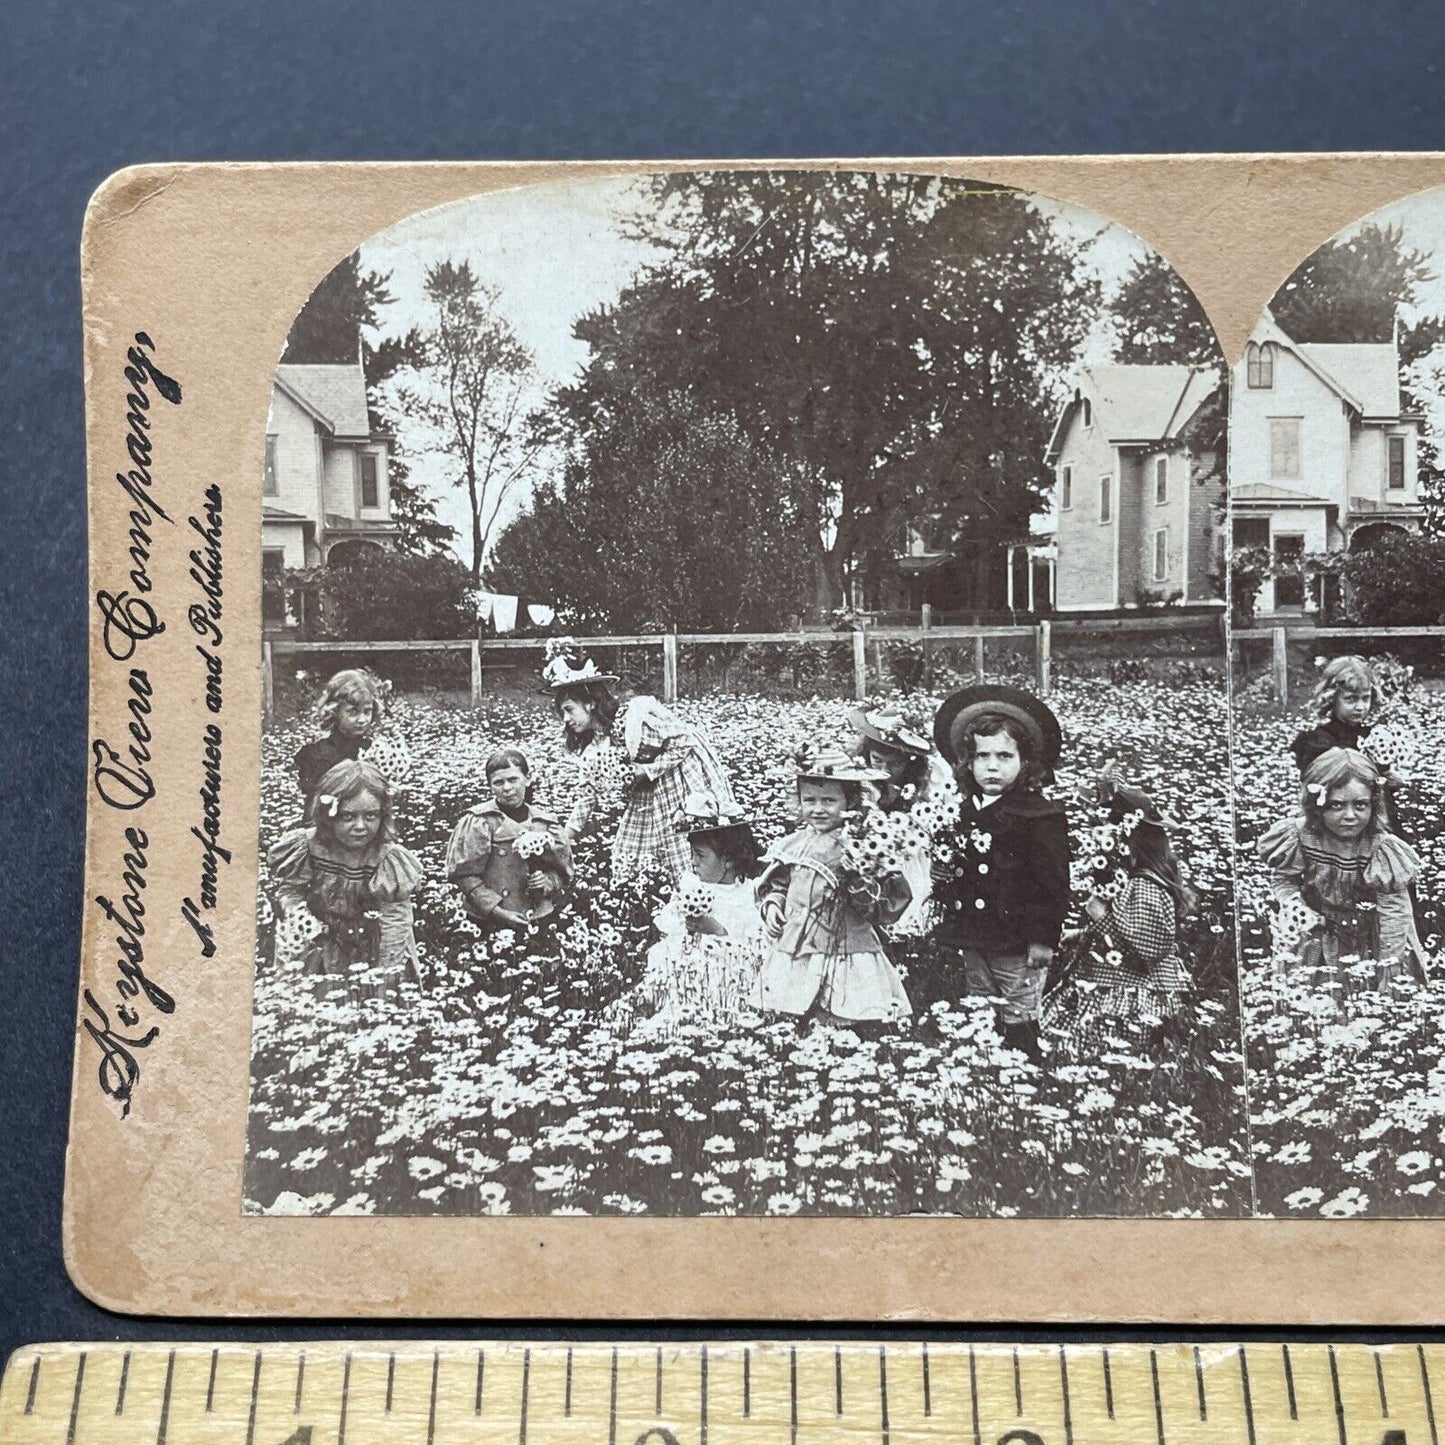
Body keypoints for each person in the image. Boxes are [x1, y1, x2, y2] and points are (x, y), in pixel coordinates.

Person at [928, 685, 1069, 1062]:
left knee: (1019, 1006)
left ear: (1025, 763)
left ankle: (1026, 1068)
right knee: (981, 1002)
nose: (992, 766)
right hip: (976, 931)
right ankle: (986, 1067)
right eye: (982, 756)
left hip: (1018, 938)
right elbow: (957, 863)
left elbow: (1052, 885)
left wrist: (1043, 939)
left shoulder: (1041, 817)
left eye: (1004, 756)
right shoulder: (961, 812)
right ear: (967, 763)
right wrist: (943, 872)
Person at [755, 745, 913, 1029]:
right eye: (810, 800)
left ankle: (848, 1040)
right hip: (798, 945)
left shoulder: (861, 843)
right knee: (792, 1008)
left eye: (829, 800)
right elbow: (779, 883)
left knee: (846, 1006)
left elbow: (881, 902)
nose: (818, 809)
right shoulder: (794, 844)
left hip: (846, 945)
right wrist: (774, 904)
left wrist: (857, 879)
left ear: (851, 802)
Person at [1045, 767, 1194, 1054]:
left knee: (1105, 1052)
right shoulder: (1126, 882)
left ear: (1125, 840)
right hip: (1110, 983)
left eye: (1103, 835)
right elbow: (1127, 927)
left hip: (1130, 994)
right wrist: (1081, 933)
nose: (1096, 844)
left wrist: (1100, 917)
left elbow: (1145, 951)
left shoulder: (1144, 887)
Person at [549, 660, 739, 884]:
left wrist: (648, 769)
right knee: (626, 856)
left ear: (590, 703)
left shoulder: (635, 721)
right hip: (645, 797)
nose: (566, 719)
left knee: (684, 853)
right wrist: (566, 836)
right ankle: (637, 902)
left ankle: (695, 902)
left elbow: (684, 740)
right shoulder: (595, 747)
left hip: (679, 787)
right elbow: (588, 795)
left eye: (569, 710)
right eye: (562, 713)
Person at [1258, 746, 1426, 996]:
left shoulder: (1379, 848)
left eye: (1360, 805)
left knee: (1369, 999)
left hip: (1372, 938)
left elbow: (1395, 913)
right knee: (1312, 999)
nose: (1350, 816)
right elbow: (1284, 879)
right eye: (1337, 806)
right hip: (1318, 930)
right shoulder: (1301, 836)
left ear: (1374, 803)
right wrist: (1297, 909)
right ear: (1317, 806)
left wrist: (1388, 968)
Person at [613, 792, 766, 1037]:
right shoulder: (692, 885)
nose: (693, 862)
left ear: (728, 860)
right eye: (692, 853)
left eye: (701, 855)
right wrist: (686, 925)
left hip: (726, 975)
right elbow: (669, 925)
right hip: (683, 963)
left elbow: (754, 949)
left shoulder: (747, 896)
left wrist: (716, 931)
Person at [267, 758, 423, 988]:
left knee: (376, 1007)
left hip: (375, 946)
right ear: (328, 817)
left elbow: (396, 919)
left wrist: (386, 972)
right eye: (348, 817)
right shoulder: (309, 847)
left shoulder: (386, 858)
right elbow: (291, 893)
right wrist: (309, 926)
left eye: (370, 816)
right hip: (317, 940)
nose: (360, 826)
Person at [445, 748, 574, 933]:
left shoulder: (545, 823)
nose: (507, 788)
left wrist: (546, 882)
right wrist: (495, 910)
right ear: (490, 786)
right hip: (488, 919)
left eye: (513, 779)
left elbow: (563, 871)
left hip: (539, 917)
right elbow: (463, 875)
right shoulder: (480, 821)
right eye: (498, 782)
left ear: (527, 779)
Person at [293, 668, 412, 818]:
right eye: (353, 712)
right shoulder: (321, 754)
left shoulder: (373, 750)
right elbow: (314, 808)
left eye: (367, 711)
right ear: (335, 712)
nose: (362, 720)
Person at [1291, 655, 1384, 777]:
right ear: (1332, 699)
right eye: (1351, 699)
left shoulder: (1372, 737)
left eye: (1366, 698)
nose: (1360, 707)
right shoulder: (1320, 742)